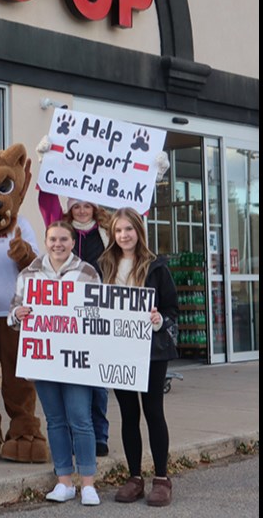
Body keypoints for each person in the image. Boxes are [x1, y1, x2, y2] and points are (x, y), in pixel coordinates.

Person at [8, 221, 103, 506]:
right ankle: (64, 481)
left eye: (63, 239)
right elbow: (13, 313)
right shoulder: (29, 274)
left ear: (73, 243)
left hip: (77, 361)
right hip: (44, 360)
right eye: (52, 239)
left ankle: (88, 483)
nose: (57, 244)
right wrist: (18, 314)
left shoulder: (87, 273)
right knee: (55, 421)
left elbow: (100, 316)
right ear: (45, 241)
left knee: (81, 420)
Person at [98, 208, 178, 507]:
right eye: (118, 230)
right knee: (128, 414)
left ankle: (161, 478)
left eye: (128, 229)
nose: (123, 235)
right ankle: (134, 477)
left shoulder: (156, 266)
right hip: (118, 349)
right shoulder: (104, 264)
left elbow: (171, 308)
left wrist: (159, 321)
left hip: (151, 351)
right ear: (112, 234)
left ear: (138, 231)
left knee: (153, 412)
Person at [38, 191, 112, 456]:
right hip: (65, 314)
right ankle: (73, 433)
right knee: (68, 375)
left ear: (94, 207)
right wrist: (46, 166)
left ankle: (100, 435)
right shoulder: (64, 232)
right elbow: (46, 202)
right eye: (77, 206)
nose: (82, 211)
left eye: (86, 206)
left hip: (98, 310)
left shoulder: (107, 232)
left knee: (97, 381)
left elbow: (136, 216)